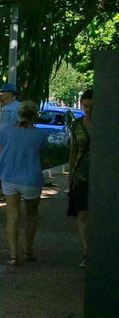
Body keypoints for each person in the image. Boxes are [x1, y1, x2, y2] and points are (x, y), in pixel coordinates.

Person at [0, 100, 49, 265]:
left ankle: (13, 254)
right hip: (31, 177)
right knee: (31, 216)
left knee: (12, 216)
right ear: (35, 115)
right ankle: (28, 250)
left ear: (19, 113)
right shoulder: (41, 135)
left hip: (9, 176)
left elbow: (0, 154)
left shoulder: (7, 131)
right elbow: (42, 155)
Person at [67, 88, 92, 267]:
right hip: (81, 177)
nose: (88, 110)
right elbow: (73, 150)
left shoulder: (108, 123)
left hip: (104, 177)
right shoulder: (76, 125)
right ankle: (86, 252)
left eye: (92, 106)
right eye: (85, 106)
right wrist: (71, 173)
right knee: (82, 213)